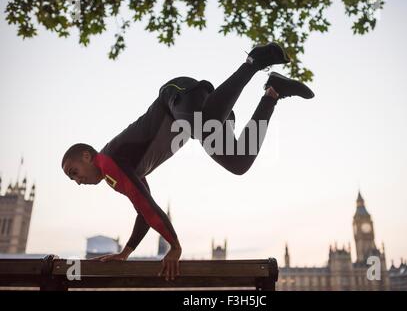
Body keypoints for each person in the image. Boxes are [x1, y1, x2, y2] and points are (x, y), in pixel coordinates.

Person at [61, 42, 315, 281]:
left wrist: (175, 245)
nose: (77, 180)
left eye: (74, 172)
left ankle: (254, 61)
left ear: (87, 156)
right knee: (239, 163)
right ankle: (273, 92)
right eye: (73, 178)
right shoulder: (121, 169)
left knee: (201, 124)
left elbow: (145, 205)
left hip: (177, 98)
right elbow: (145, 210)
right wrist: (126, 252)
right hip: (202, 115)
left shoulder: (109, 163)